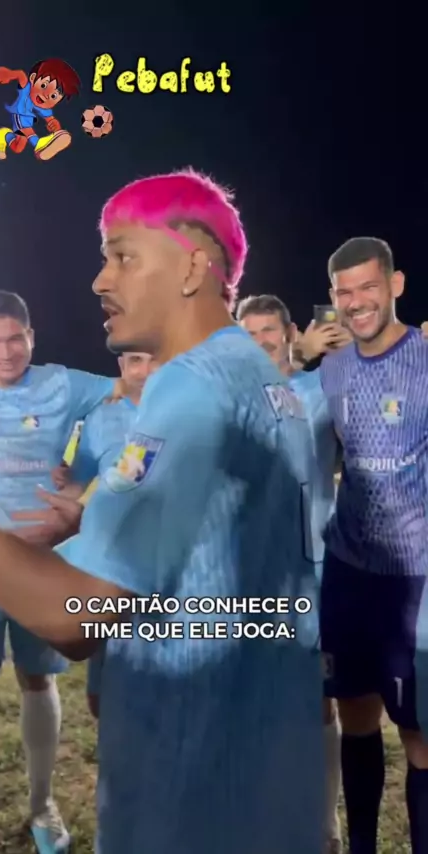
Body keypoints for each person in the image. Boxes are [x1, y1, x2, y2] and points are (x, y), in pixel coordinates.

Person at [0, 170, 325, 854]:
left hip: (188, 790)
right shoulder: (261, 377)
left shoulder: (191, 389)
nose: (100, 279)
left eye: (122, 255)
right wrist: (93, 525)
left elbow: (77, 617)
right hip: (262, 771)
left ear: (192, 268)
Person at [0, 290, 119, 853]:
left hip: (41, 565)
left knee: (38, 679)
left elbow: (131, 390)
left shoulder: (64, 384)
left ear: (31, 336)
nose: (5, 353)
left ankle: (43, 805)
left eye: (14, 339)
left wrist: (83, 473)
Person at [319, 236, 428, 854]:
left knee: (418, 734)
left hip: (414, 578)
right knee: (355, 716)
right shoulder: (330, 369)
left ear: (395, 285)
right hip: (348, 570)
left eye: (368, 287)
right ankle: (361, 845)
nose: (356, 301)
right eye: (344, 291)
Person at [237, 293, 342, 854]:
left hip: (318, 572)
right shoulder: (231, 398)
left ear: (290, 332)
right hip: (253, 573)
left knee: (320, 700)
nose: (260, 343)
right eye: (248, 334)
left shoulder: (319, 388)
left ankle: (325, 822)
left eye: (268, 332)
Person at [56, 350, 158, 718]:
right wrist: (54, 482)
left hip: (173, 565)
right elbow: (76, 482)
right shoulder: (103, 416)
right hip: (113, 565)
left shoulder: (189, 410)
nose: (144, 371)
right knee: (104, 689)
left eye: (153, 361)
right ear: (122, 367)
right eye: (135, 361)